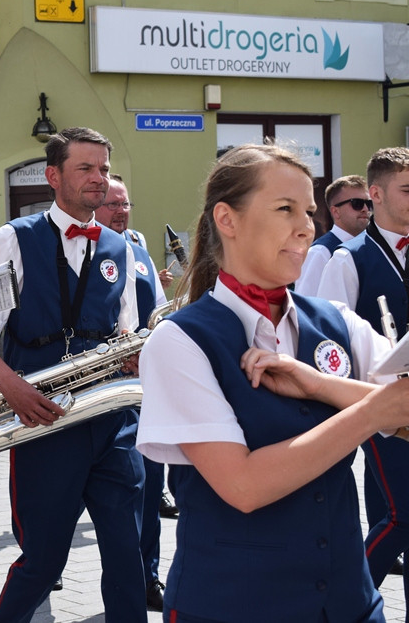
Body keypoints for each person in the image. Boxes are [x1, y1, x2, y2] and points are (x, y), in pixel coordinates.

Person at [135, 143, 409, 621]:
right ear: (228, 219)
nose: (307, 226)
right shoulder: (179, 341)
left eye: (308, 210)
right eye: (285, 209)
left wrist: (324, 387)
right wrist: (371, 411)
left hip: (350, 605)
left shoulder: (338, 322)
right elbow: (243, 486)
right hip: (231, 606)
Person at [0, 127, 146, 622]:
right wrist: (9, 385)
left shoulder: (119, 246)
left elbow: (125, 332)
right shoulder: (13, 239)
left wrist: (136, 356)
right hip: (41, 418)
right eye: (85, 168)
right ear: (52, 176)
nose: (98, 178)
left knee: (129, 559)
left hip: (109, 420)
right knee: (42, 562)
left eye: (103, 169)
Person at [317, 147, 409, 613]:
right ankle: (342, 601)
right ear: (375, 194)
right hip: (380, 403)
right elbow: (331, 344)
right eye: (407, 190)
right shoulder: (347, 258)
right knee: (400, 517)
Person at [94, 175, 171, 612]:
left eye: (126, 204)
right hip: (93, 392)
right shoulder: (84, 250)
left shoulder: (139, 254)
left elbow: (158, 314)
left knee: (146, 491)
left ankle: (149, 576)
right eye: (112, 204)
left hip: (142, 391)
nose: (121, 211)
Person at [294, 174, 370, 296]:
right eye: (357, 203)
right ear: (336, 211)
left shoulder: (370, 246)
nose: (365, 209)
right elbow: (306, 303)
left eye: (369, 203)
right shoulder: (320, 252)